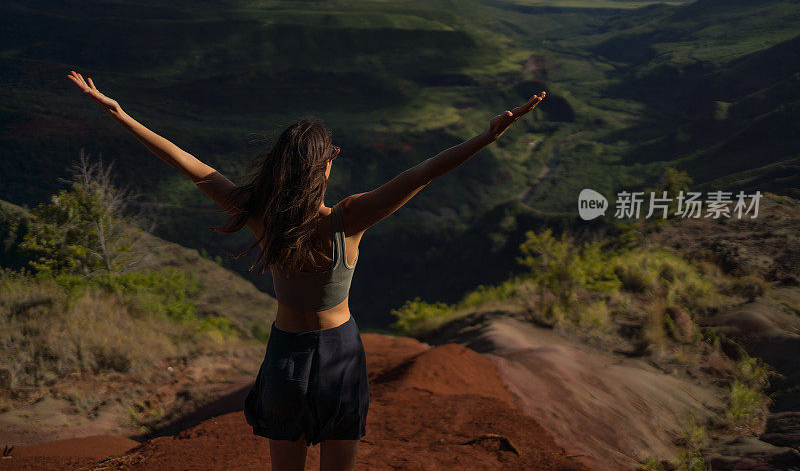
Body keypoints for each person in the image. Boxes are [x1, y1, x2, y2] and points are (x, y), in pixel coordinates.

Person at [66, 70, 546, 470]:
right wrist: (487, 136)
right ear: (327, 166)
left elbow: (191, 166)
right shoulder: (349, 219)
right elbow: (425, 172)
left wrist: (121, 115)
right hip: (340, 352)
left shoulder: (261, 215)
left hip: (285, 355)